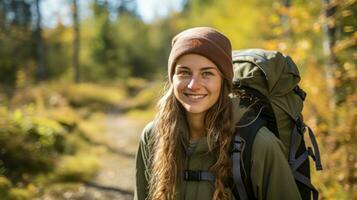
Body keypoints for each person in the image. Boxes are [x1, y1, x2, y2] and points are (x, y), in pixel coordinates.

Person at [134, 27, 302, 200]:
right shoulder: (153, 136)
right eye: (184, 72)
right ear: (172, 79)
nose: (193, 85)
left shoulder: (257, 144)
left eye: (207, 73)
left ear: (224, 81)